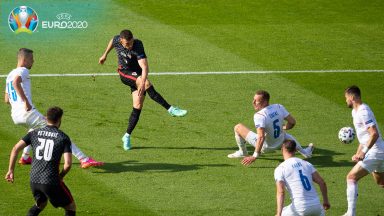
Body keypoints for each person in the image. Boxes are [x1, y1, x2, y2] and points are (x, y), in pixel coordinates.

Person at [4, 48, 103, 168]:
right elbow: (16, 83)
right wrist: (25, 102)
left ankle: (25, 157)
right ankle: (84, 159)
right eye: (31, 59)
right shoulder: (23, 70)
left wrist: (19, 103)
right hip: (27, 113)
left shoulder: (9, 74)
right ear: (24, 60)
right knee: (55, 131)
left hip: (15, 115)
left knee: (35, 128)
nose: (33, 62)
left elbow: (6, 100)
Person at [99, 29, 187, 150]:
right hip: (124, 73)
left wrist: (142, 81)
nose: (129, 46)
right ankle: (171, 109)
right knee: (145, 83)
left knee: (138, 105)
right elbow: (112, 41)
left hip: (138, 75)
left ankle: (126, 136)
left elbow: (145, 67)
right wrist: (105, 54)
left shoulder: (138, 45)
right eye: (126, 44)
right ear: (121, 40)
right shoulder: (117, 40)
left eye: (130, 43)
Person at [5, 107, 76, 216]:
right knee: (70, 207)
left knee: (41, 204)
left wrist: (10, 170)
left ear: (46, 118)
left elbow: (15, 149)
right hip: (51, 181)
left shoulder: (34, 133)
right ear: (59, 119)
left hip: (34, 180)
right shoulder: (63, 137)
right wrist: (61, 176)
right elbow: (68, 164)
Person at [227, 90, 314, 166]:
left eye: (256, 101)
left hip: (266, 147)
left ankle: (243, 152)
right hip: (281, 142)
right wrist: (283, 127)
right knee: (286, 135)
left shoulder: (259, 115)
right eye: (253, 99)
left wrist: (255, 155)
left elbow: (261, 137)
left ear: (264, 102)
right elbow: (292, 122)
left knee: (238, 127)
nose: (253, 102)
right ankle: (305, 152)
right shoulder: (279, 107)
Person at [342, 85, 384, 216]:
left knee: (351, 177)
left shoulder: (363, 111)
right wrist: (358, 153)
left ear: (352, 97)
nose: (346, 101)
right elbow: (364, 137)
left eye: (346, 98)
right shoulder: (355, 112)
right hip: (378, 151)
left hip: (375, 152)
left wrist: (364, 152)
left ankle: (351, 213)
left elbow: (374, 134)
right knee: (382, 182)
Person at [274, 140, 330, 216]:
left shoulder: (281, 168)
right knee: (320, 212)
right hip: (316, 207)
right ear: (295, 150)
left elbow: (281, 192)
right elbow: (322, 182)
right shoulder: (306, 164)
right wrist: (326, 201)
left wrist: (278, 214)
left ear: (282, 150)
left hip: (300, 208)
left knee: (283, 212)